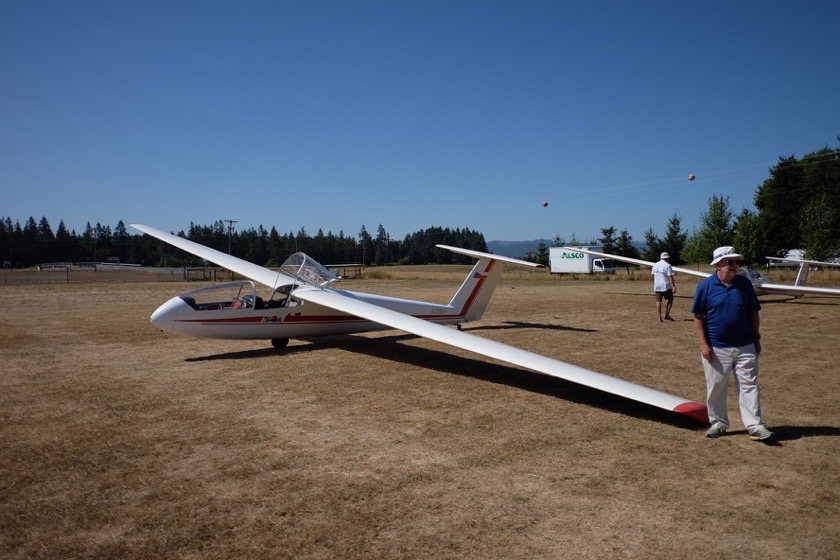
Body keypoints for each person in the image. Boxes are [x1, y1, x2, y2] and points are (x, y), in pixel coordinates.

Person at [691, 246, 773, 441]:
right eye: (730, 262)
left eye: (737, 262)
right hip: (716, 347)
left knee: (749, 384)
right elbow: (698, 317)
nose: (735, 265)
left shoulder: (744, 284)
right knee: (716, 386)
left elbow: (753, 312)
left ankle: (755, 425)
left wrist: (756, 338)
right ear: (717, 265)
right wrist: (703, 344)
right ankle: (718, 423)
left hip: (745, 345)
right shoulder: (705, 286)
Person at [652, 252, 676, 322]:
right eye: (668, 258)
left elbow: (653, 275)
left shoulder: (655, 265)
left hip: (657, 286)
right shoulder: (668, 265)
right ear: (666, 258)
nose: (669, 259)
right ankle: (667, 315)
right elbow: (670, 276)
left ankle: (659, 317)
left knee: (658, 301)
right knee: (670, 299)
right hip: (666, 286)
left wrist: (655, 283)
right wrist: (673, 286)